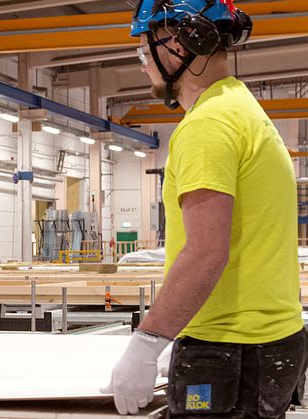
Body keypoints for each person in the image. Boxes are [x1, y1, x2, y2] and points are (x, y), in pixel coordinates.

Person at [102, 0, 308, 416]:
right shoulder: (244, 111)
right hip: (267, 342)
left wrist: (148, 342)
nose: (143, 65)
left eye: (145, 51)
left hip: (231, 350)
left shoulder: (207, 126)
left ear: (179, 45)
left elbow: (205, 252)